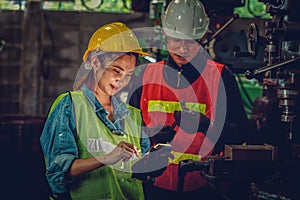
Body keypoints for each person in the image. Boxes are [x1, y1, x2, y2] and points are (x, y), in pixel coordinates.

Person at [127, 0, 249, 199]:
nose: (182, 49)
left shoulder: (220, 77)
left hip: (205, 189)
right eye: (176, 39)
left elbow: (241, 135)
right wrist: (149, 136)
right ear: (164, 34)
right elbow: (127, 131)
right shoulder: (144, 76)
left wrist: (206, 125)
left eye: (190, 41)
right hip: (151, 187)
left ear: (203, 37)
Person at [40, 22, 151, 200]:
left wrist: (152, 164)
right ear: (95, 61)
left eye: (128, 75)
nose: (121, 80)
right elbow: (58, 173)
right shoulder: (70, 105)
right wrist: (108, 157)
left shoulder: (132, 115)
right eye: (116, 70)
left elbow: (137, 172)